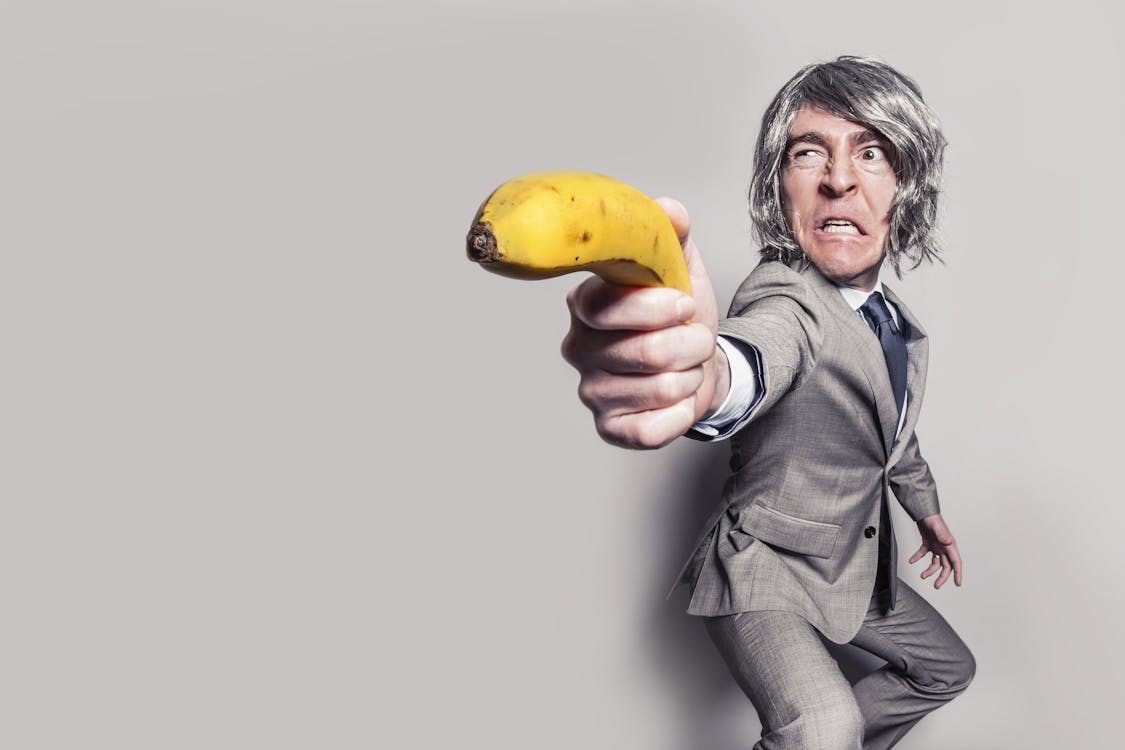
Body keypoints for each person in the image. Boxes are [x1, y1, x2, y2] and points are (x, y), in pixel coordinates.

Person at [560, 56, 975, 749]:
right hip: (764, 566)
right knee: (824, 723)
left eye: (870, 152)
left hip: (846, 558)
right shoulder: (784, 299)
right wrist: (704, 380)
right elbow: (753, 357)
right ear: (778, 188)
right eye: (807, 152)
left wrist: (924, 511)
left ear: (903, 187)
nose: (838, 178)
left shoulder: (894, 323)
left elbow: (893, 437)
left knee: (945, 670)